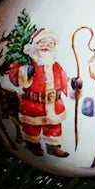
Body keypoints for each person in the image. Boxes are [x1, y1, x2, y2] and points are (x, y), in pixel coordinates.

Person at [7, 29, 80, 158]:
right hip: (33, 106)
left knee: (54, 128)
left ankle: (53, 147)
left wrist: (74, 85)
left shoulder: (56, 66)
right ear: (34, 46)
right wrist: (25, 72)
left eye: (50, 43)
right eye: (42, 42)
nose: (46, 45)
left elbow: (65, 82)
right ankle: (33, 145)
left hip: (54, 105)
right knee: (31, 128)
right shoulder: (28, 64)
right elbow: (14, 77)